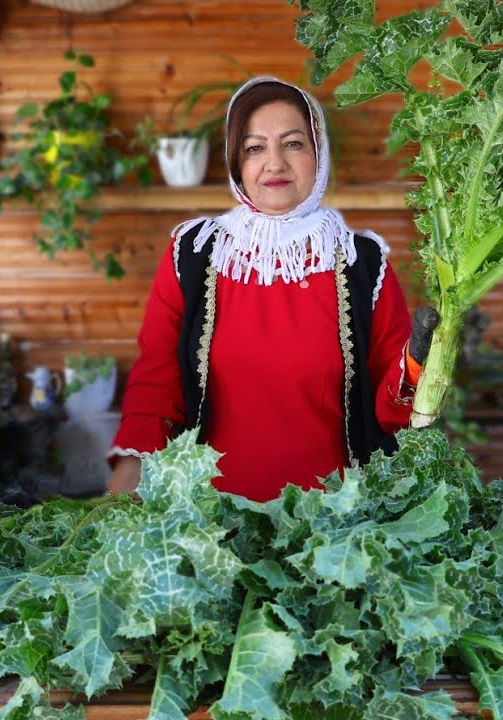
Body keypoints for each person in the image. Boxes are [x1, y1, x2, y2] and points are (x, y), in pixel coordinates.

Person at [107, 76, 432, 502]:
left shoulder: (361, 262)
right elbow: (157, 377)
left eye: (293, 143)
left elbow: (390, 408)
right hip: (210, 520)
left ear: (319, 154)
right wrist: (133, 465)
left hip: (333, 524)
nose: (274, 163)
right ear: (236, 163)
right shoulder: (195, 252)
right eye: (255, 148)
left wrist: (419, 359)